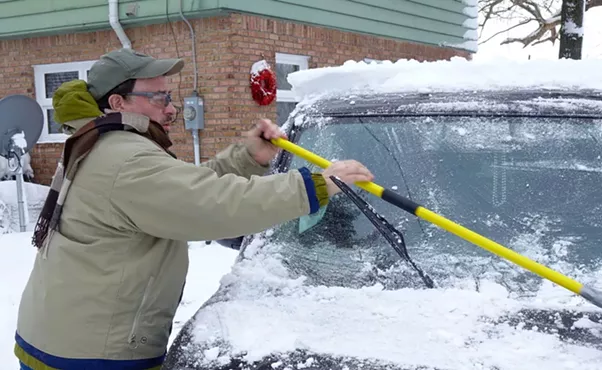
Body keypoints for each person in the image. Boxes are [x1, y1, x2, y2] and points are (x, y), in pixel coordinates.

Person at [14, 48, 374, 370]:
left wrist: (247, 158)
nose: (170, 108)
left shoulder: (101, 141)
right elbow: (212, 205)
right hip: (91, 355)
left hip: (63, 335)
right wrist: (311, 187)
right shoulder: (125, 158)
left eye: (169, 95)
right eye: (157, 97)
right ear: (118, 103)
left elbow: (181, 192)